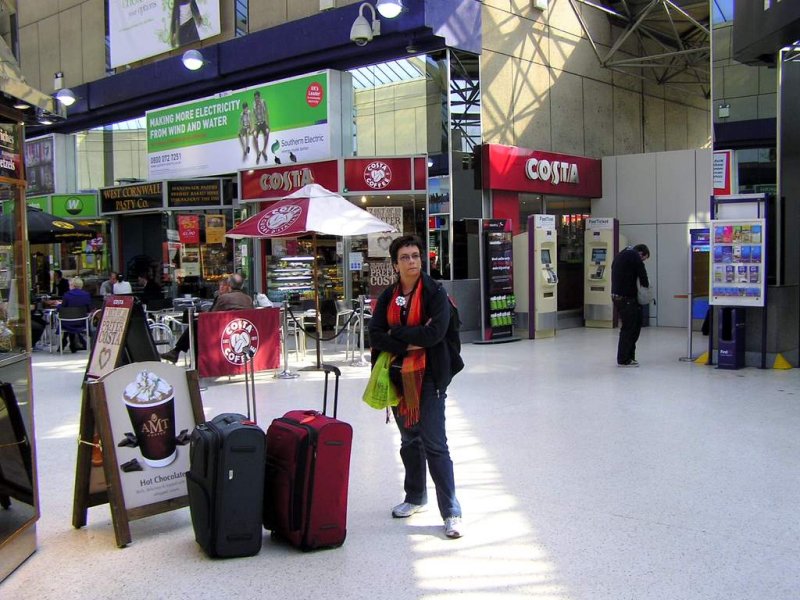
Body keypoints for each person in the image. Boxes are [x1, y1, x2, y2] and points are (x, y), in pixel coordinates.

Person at [368, 235, 464, 539]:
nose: (412, 261)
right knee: (410, 439)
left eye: (416, 255)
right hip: (398, 377)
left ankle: (451, 512)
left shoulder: (435, 292)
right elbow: (375, 333)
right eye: (405, 257)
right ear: (395, 264)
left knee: (435, 443)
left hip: (431, 376)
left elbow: (435, 333)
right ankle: (414, 497)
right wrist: (409, 337)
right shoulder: (389, 296)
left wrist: (397, 334)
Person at [160, 273, 253, 363]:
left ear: (229, 285)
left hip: (223, 333)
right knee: (197, 326)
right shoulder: (248, 299)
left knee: (196, 326)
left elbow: (211, 316)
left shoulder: (224, 298)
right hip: (241, 332)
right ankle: (176, 352)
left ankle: (181, 354)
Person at [611, 243, 650, 367]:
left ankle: (627, 357)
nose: (642, 261)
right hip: (628, 298)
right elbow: (644, 279)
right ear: (641, 253)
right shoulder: (634, 256)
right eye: (644, 258)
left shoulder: (620, 254)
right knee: (630, 329)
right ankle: (625, 359)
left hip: (616, 296)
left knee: (628, 327)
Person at [59, 277, 92, 353]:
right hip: (82, 321)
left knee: (65, 317)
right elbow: (88, 309)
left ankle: (65, 343)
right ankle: (74, 344)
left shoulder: (67, 295)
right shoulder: (86, 295)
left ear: (72, 285)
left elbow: (63, 308)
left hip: (67, 322)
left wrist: (58, 305)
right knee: (71, 317)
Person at [252, 90, 270, 164]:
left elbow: (266, 113)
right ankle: (258, 152)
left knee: (267, 133)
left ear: (259, 97)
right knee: (254, 135)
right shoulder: (253, 104)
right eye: (255, 98)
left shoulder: (263, 102)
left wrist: (268, 124)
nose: (256, 99)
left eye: (257, 98)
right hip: (257, 124)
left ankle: (264, 151)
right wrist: (253, 126)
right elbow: (253, 115)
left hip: (263, 122)